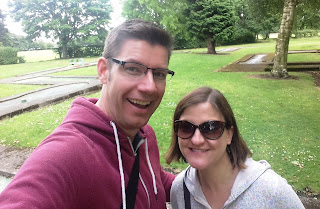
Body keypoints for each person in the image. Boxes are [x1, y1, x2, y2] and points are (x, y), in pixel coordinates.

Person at [0, 19, 176, 209]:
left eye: (159, 74)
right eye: (132, 68)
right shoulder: (68, 153)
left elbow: (154, 179)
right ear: (103, 71)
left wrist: (201, 183)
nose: (149, 87)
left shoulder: (144, 134)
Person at [166, 86, 305, 209]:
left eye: (211, 128)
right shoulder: (180, 190)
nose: (196, 140)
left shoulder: (271, 190)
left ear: (229, 135)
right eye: (185, 127)